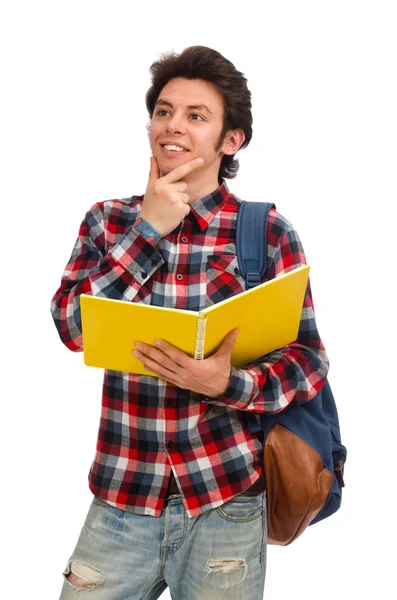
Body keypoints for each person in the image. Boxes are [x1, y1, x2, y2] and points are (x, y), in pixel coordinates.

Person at [51, 45, 329, 600]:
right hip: (121, 500)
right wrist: (147, 231)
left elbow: (308, 361)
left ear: (231, 141)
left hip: (226, 501)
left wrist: (230, 384)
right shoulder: (108, 222)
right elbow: (71, 327)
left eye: (195, 116)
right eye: (163, 111)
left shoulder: (267, 232)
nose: (172, 126)